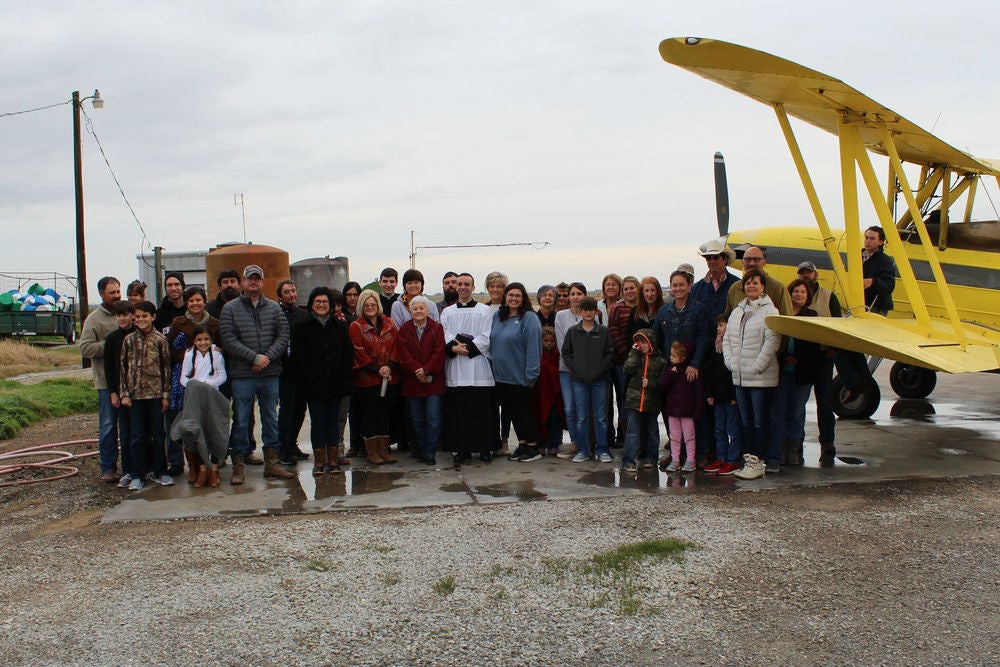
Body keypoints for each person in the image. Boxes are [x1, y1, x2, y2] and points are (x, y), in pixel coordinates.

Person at [219, 264, 294, 484]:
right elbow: (229, 339)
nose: (253, 282)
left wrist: (266, 358)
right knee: (241, 420)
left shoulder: (274, 308)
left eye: (257, 279)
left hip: (270, 373)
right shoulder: (230, 309)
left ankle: (272, 463)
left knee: (271, 418)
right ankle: (238, 465)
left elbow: (283, 336)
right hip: (243, 375)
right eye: (249, 278)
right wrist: (253, 358)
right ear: (243, 282)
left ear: (262, 282)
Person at [723, 269, 780, 480]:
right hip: (739, 376)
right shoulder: (737, 311)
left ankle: (759, 460)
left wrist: (757, 366)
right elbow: (728, 338)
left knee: (760, 421)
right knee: (745, 422)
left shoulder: (770, 311)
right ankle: (748, 461)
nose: (751, 286)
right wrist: (729, 361)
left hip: (761, 378)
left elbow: (772, 342)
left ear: (763, 286)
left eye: (755, 283)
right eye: (747, 283)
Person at [653, 268, 712, 465]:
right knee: (672, 411)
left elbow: (704, 339)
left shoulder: (698, 309)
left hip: (690, 370)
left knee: (693, 412)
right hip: (671, 370)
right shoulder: (664, 311)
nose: (678, 288)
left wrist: (695, 364)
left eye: (681, 285)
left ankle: (697, 454)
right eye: (674, 285)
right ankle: (676, 454)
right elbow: (656, 339)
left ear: (689, 286)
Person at [292, 287, 354, 475]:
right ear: (312, 304)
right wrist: (310, 375)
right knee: (318, 422)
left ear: (330, 305)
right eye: (317, 302)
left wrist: (342, 374)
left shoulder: (340, 326)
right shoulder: (302, 327)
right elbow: (298, 357)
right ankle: (319, 461)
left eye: (324, 302)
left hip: (336, 384)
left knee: (333, 422)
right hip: (313, 385)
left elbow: (347, 354)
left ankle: (333, 460)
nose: (321, 305)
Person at [166, 286, 222, 478]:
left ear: (205, 302)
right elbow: (170, 350)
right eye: (191, 301)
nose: (195, 304)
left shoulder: (214, 323)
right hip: (186, 381)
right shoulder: (178, 323)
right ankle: (194, 465)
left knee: (209, 424)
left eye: (198, 300)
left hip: (210, 384)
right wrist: (190, 354)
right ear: (187, 303)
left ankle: (210, 465)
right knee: (189, 425)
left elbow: (221, 348)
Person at [440, 272, 496, 463]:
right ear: (456, 287)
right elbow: (445, 333)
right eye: (460, 284)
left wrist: (469, 349)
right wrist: (454, 348)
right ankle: (462, 449)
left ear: (473, 287)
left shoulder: (484, 310)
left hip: (478, 365)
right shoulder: (447, 312)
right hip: (456, 367)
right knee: (459, 411)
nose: (463, 287)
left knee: (481, 410)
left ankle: (485, 448)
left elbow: (487, 335)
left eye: (467, 284)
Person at [119, 300, 172, 490]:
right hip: (135, 397)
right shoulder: (129, 341)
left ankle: (161, 471)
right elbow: (123, 368)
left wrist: (166, 395)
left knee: (158, 435)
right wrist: (124, 393)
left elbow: (166, 369)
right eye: (138, 317)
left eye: (145, 316)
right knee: (136, 436)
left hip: (156, 395)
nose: (141, 320)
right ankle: (137, 475)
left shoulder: (160, 340)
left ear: (153, 317)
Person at [772, 279, 823, 468]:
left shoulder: (812, 316)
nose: (798, 295)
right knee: (779, 412)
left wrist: (798, 358)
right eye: (795, 291)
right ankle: (781, 450)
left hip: (802, 373)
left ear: (808, 296)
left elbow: (813, 346)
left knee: (795, 412)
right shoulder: (781, 314)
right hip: (782, 372)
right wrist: (785, 356)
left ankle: (793, 451)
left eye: (802, 292)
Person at [491, 282, 543, 462]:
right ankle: (522, 445)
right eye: (510, 295)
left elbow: (534, 348)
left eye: (517, 296)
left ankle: (533, 448)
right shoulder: (498, 317)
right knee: (512, 414)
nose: (513, 298)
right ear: (505, 297)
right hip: (501, 377)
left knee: (523, 413)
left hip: (520, 376)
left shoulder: (529, 318)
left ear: (523, 299)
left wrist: (531, 374)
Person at [349, 289, 400, 465]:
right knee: (370, 414)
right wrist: (379, 369)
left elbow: (396, 347)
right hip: (367, 379)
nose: (370, 307)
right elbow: (359, 353)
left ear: (378, 305)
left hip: (388, 377)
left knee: (384, 414)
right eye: (366, 305)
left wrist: (389, 367)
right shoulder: (356, 327)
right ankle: (371, 452)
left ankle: (383, 450)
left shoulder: (389, 324)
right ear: (361, 307)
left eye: (373, 304)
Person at [797, 261, 841, 464]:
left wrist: (834, 349)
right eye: (802, 273)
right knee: (798, 405)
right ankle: (797, 443)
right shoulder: (795, 296)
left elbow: (839, 325)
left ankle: (827, 443)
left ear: (816, 274)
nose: (805, 276)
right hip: (802, 358)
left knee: (825, 403)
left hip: (823, 357)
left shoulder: (829, 296)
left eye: (808, 272)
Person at [79, 275, 122, 483]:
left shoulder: (125, 313)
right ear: (102, 294)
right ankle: (108, 467)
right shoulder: (94, 319)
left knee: (133, 428)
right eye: (112, 292)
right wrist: (110, 344)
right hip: (106, 383)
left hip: (129, 382)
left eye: (118, 291)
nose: (116, 295)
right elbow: (85, 348)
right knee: (108, 426)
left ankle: (135, 467)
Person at [562, 296, 614, 463]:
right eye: (585, 309)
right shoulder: (572, 331)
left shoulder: (603, 331)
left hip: (600, 380)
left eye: (592, 309)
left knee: (600, 417)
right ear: (580, 311)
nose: (589, 312)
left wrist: (602, 368)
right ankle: (583, 450)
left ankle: (602, 450)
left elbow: (610, 353)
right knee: (582, 417)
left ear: (595, 311)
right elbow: (566, 353)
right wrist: (575, 367)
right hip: (579, 380)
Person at [174, 323, 228, 487]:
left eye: (206, 339)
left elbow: (222, 375)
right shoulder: (190, 354)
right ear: (194, 340)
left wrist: (205, 384)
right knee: (194, 431)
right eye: (199, 339)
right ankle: (202, 468)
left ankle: (214, 469)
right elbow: (184, 377)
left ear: (211, 340)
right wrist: (194, 386)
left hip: (212, 397)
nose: (203, 342)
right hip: (194, 399)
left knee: (213, 431)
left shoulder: (216, 354)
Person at [396, 295, 446, 465]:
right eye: (415, 308)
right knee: (416, 419)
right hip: (412, 382)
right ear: (410, 310)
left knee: (433, 418)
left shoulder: (437, 328)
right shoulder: (404, 329)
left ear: (428, 310)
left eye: (421, 308)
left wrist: (426, 370)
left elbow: (439, 353)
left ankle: (430, 451)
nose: (418, 311)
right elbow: (403, 354)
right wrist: (417, 370)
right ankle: (423, 448)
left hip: (433, 381)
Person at [620, 328, 666, 473]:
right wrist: (633, 352)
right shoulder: (635, 356)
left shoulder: (661, 360)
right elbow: (627, 368)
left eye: (645, 341)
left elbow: (663, 381)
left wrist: (651, 383)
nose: (642, 344)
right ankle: (628, 460)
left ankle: (652, 458)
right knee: (632, 432)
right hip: (634, 401)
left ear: (652, 342)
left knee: (652, 431)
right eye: (639, 341)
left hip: (652, 402)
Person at [702, 315, 742, 476]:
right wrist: (710, 392)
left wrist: (735, 395)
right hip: (717, 395)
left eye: (721, 325)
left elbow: (735, 372)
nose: (718, 329)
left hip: (730, 395)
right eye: (718, 325)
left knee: (732, 429)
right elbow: (711, 371)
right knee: (719, 428)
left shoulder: (735, 345)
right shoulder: (716, 345)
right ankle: (721, 457)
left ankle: (732, 460)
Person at [276, 279, 310, 466]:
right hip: (284, 370)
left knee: (300, 409)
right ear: (280, 296)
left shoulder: (302, 314)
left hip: (301, 370)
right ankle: (283, 448)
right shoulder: (276, 313)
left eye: (293, 291)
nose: (291, 294)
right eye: (287, 292)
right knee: (287, 410)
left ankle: (292, 443)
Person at [103, 300, 136, 487]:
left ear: (133, 315)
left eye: (126, 314)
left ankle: (144, 467)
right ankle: (128, 470)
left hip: (138, 392)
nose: (122, 318)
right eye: (119, 315)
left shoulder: (138, 335)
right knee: (125, 432)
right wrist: (113, 392)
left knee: (140, 432)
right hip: (120, 392)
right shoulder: (112, 339)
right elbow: (109, 368)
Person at [661, 342, 704, 473]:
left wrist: (697, 410)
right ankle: (675, 460)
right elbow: (663, 386)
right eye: (671, 355)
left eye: (674, 356)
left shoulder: (691, 372)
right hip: (673, 411)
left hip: (687, 412)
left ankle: (690, 460)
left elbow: (699, 392)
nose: (671, 358)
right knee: (674, 437)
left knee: (689, 437)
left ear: (683, 358)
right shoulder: (670, 370)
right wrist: (671, 374)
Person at [554, 282, 586, 457]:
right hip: (566, 369)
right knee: (569, 407)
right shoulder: (560, 316)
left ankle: (584, 440)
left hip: (585, 370)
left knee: (583, 407)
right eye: (572, 294)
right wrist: (571, 364)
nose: (575, 297)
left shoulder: (590, 315)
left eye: (578, 294)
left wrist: (581, 366)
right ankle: (574, 440)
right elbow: (561, 343)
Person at [608, 276, 641, 444]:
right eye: (626, 289)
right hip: (622, 362)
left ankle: (640, 437)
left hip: (644, 361)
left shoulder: (643, 306)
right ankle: (626, 435)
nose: (629, 291)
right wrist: (629, 355)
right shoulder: (617, 307)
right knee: (625, 398)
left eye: (632, 288)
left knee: (641, 399)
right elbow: (613, 331)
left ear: (638, 288)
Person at [725, 245, 792, 316]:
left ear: (764, 262)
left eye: (756, 259)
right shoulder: (735, 288)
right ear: (743, 262)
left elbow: (786, 320)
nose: (752, 263)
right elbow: (727, 318)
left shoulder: (778, 289)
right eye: (748, 259)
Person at [531, 326, 564, 457]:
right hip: (540, 392)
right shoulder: (537, 355)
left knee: (554, 419)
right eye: (546, 340)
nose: (549, 343)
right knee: (539, 417)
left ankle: (554, 444)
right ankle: (541, 444)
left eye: (552, 341)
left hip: (555, 394)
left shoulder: (557, 355)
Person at [862, 225, 896, 315]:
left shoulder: (885, 260)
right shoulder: (858, 256)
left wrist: (872, 282)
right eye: (866, 237)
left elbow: (889, 285)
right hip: (859, 303)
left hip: (876, 306)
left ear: (881, 242)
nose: (868, 241)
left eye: (872, 238)